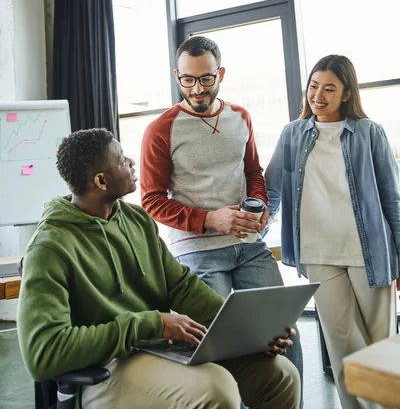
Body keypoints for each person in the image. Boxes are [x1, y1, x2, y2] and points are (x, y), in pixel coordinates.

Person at [17, 128, 300, 409]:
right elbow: (43, 354)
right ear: (101, 181)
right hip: (105, 368)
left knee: (280, 375)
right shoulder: (49, 248)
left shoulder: (135, 219)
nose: (130, 162)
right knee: (216, 388)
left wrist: (247, 332)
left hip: (160, 349)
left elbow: (181, 287)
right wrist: (152, 323)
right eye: (120, 159)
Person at [140, 35, 303, 384]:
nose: (197, 88)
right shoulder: (159, 130)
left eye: (205, 78)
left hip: (248, 246)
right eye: (188, 79)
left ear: (221, 74)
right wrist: (212, 219)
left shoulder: (240, 117)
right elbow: (151, 200)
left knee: (285, 335)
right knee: (222, 349)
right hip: (196, 252)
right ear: (177, 76)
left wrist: (257, 208)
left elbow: (252, 173)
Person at [264, 54, 400, 409]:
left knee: (380, 350)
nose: (318, 95)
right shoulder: (292, 135)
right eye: (313, 86)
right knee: (343, 350)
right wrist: (256, 230)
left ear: (346, 93)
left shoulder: (369, 133)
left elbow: (393, 200)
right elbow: (272, 190)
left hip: (370, 253)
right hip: (319, 254)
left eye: (329, 88)